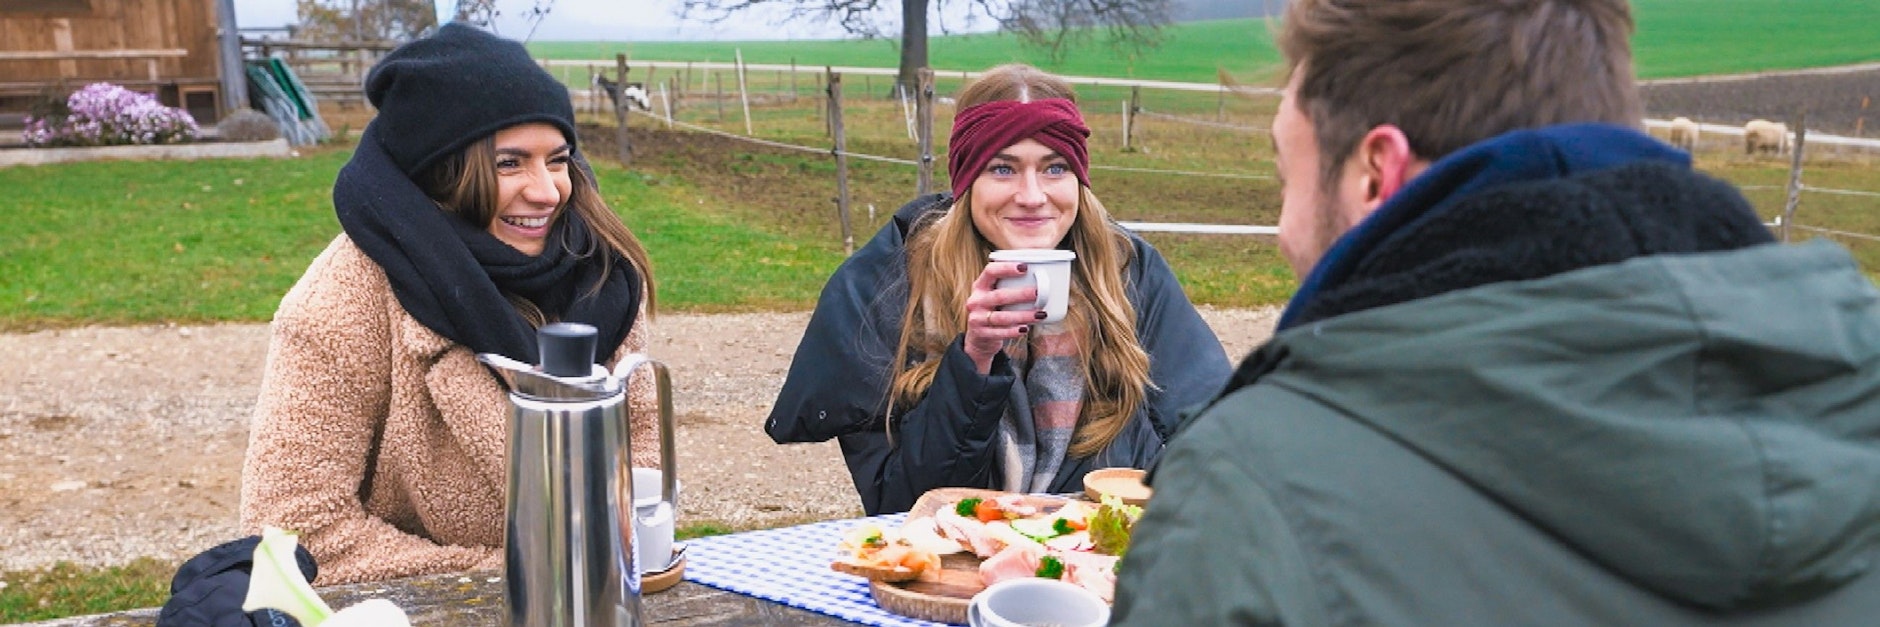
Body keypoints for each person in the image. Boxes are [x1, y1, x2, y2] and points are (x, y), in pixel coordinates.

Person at [1112, 0, 1880, 624]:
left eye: (1289, 174)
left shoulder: (1250, 495)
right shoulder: (1849, 385)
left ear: (1377, 171)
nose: (1282, 229)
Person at [239, 23, 661, 585]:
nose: (546, 191)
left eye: (557, 159)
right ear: (440, 174)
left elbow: (643, 456)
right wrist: (527, 573)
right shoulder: (339, 305)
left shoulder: (597, 274)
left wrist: (621, 539)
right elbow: (293, 531)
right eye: (509, 163)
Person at [766, 64, 1232, 515]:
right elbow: (901, 509)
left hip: (1095, 563)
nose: (1032, 195)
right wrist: (974, 360)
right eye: (1003, 169)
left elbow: (1214, 438)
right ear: (967, 181)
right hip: (954, 567)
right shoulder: (891, 288)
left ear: (1079, 179)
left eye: (1055, 168)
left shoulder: (1129, 272)